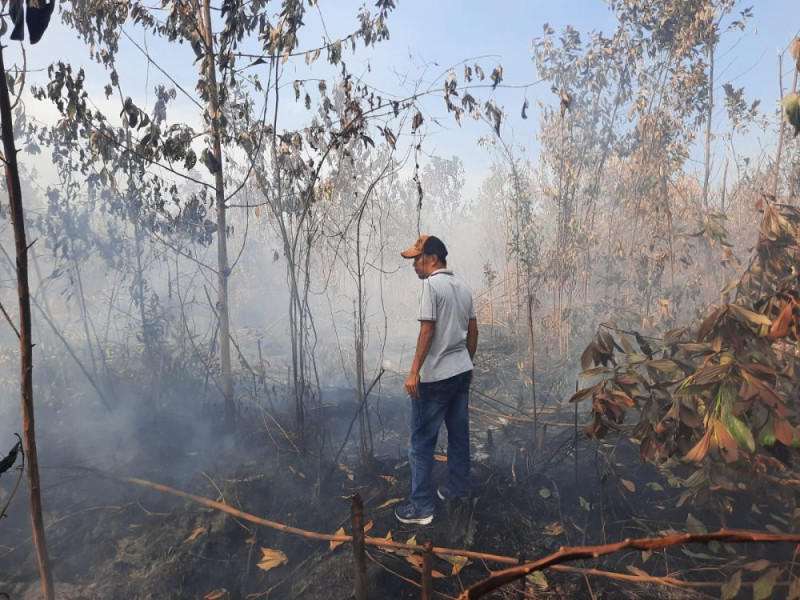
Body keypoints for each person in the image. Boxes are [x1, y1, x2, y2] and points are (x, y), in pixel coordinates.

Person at [395, 235, 478, 525]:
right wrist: (468, 363)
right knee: (458, 436)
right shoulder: (463, 286)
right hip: (459, 374)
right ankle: (459, 491)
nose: (414, 265)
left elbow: (427, 331)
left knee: (421, 442)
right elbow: (473, 330)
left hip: (435, 379)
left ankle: (421, 507)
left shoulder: (432, 286)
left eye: (417, 259)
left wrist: (414, 371)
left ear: (432, 258)